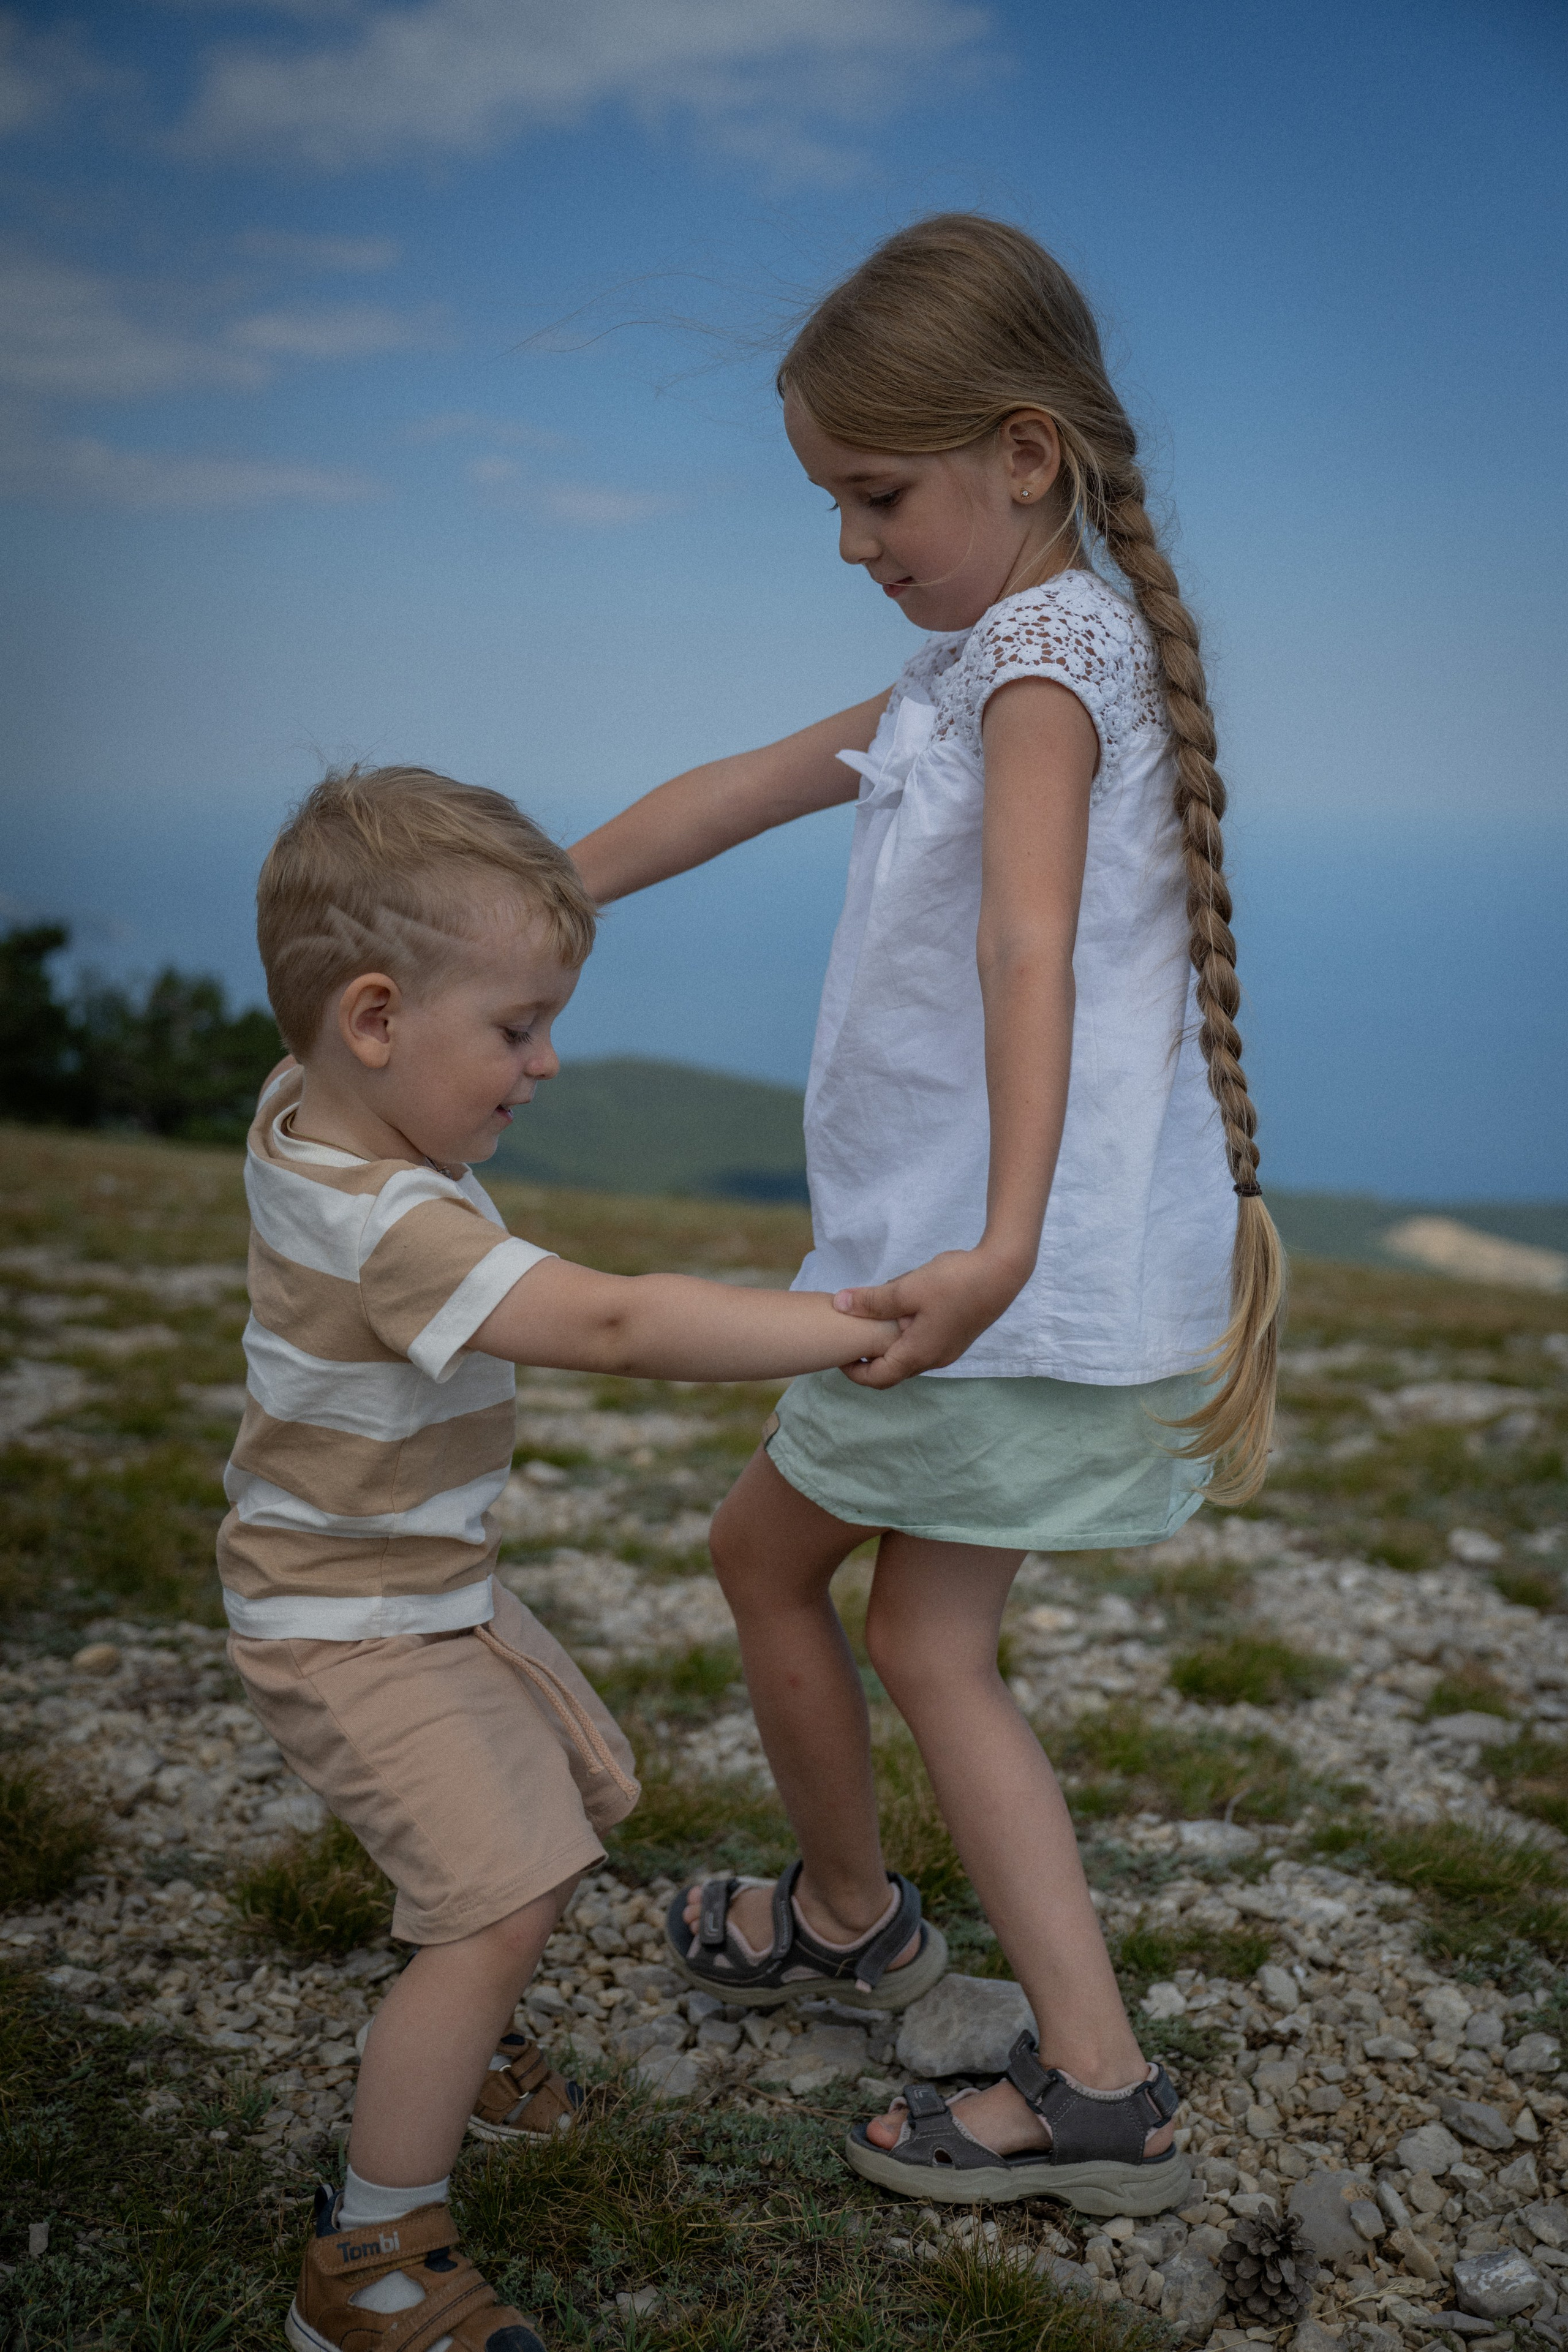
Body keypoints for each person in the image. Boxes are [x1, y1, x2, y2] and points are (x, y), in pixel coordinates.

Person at [568, 214, 1285, 2216]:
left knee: (874, 1615)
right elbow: (734, 787)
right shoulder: (983, 656)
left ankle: (1080, 2071)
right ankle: (864, 1920)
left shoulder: (1045, 663)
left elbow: (1026, 947)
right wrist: (529, 900)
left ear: (1025, 453)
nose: (854, 537)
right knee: (832, 1585)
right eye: (835, 499)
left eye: (877, 493)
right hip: (1004, 1281)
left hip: (986, 1288)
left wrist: (994, 1243)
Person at [228, 765, 900, 2352]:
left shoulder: (306, 1098)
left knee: (557, 1799)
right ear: (378, 1020)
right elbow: (609, 1319)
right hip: (353, 1617)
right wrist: (854, 1328)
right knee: (498, 1898)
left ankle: (468, 2059)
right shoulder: (390, 1229)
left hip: (405, 1579)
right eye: (517, 1028)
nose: (547, 1061)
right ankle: (371, 2258)